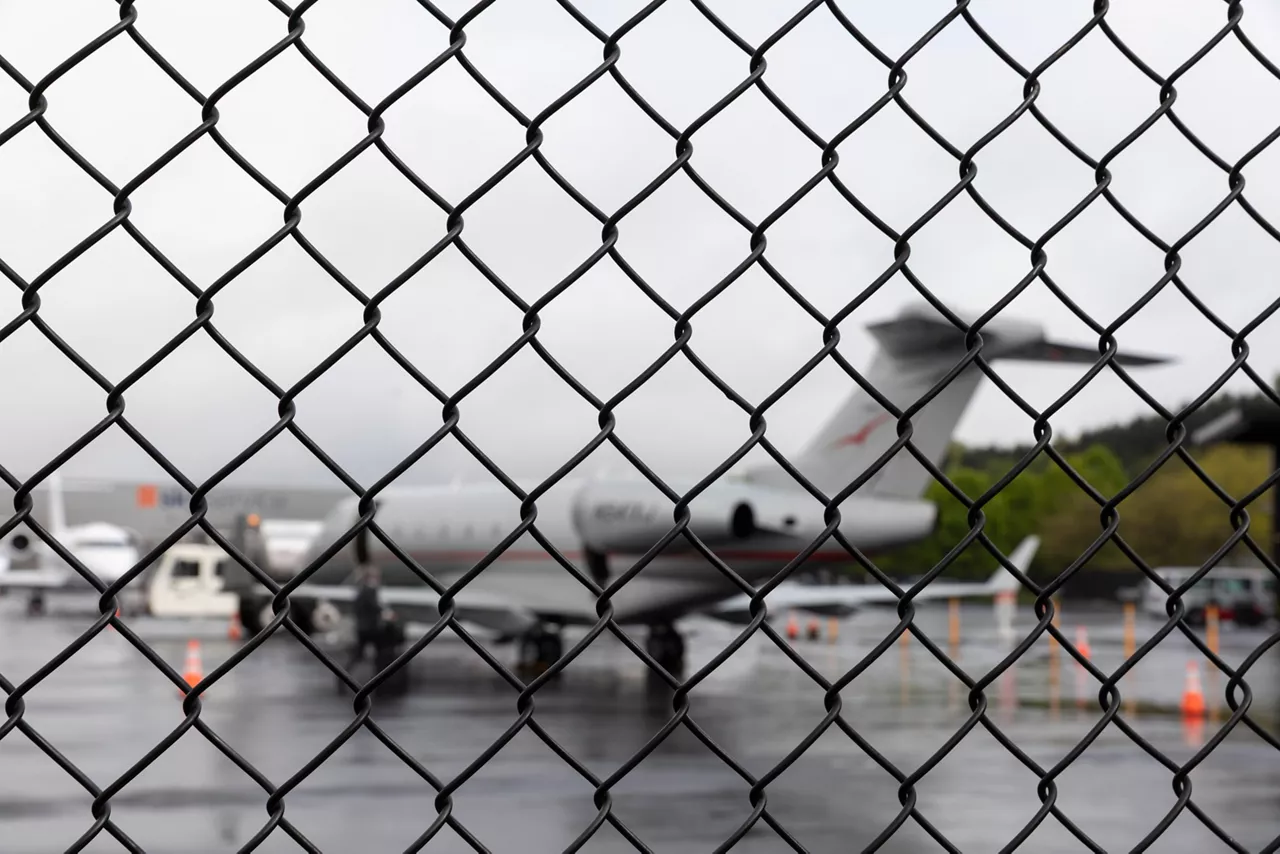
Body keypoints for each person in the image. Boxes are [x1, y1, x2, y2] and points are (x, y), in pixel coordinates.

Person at [345, 565, 382, 675]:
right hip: (371, 627)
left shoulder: (360, 590)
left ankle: (343, 676)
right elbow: (375, 606)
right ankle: (378, 680)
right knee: (380, 654)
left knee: (358, 655)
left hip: (361, 627)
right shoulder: (370, 590)